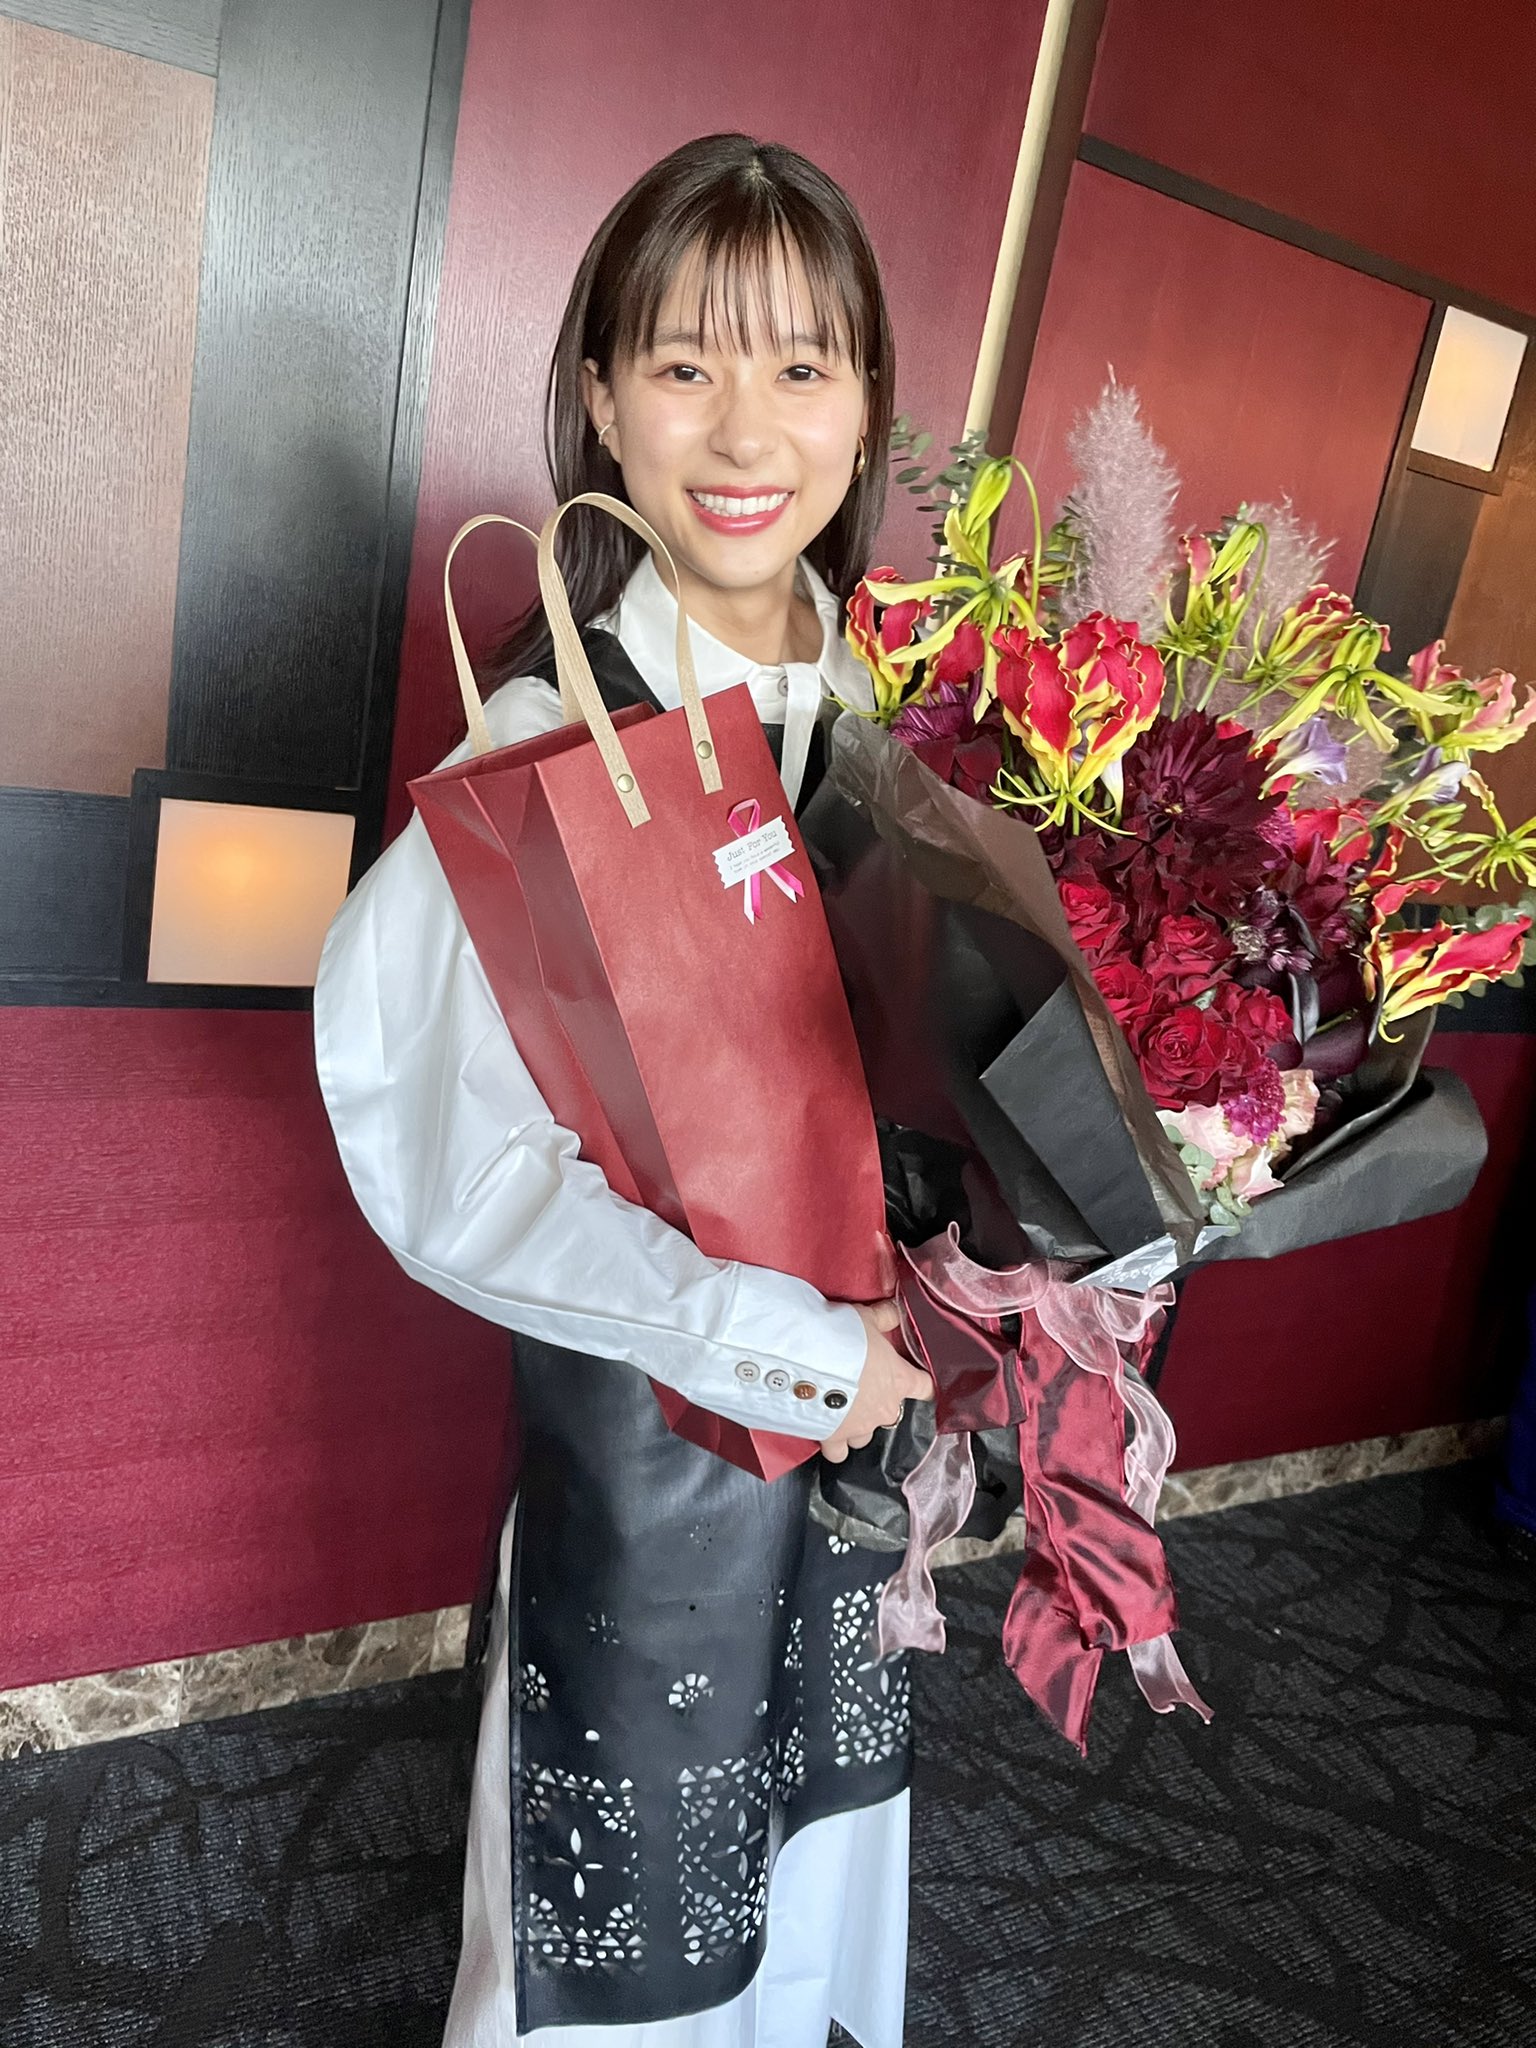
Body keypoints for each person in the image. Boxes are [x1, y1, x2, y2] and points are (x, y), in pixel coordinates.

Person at [312, 133, 932, 2048]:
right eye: (683, 363)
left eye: (801, 365)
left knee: (817, 1878)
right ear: (598, 395)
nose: (745, 430)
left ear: (866, 404)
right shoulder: (544, 755)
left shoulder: (914, 712)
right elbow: (461, 1175)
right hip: (663, 1470)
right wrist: (795, 1352)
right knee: (630, 1951)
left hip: (872, 1459)